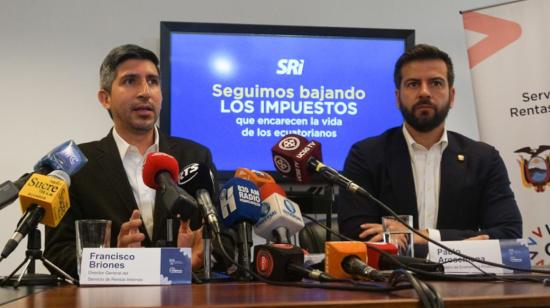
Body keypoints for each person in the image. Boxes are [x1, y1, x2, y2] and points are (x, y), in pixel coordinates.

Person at [44, 44, 213, 278]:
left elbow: (223, 239)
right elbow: (56, 254)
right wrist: (114, 260)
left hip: (185, 298)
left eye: (153, 81)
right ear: (105, 98)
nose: (145, 91)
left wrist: (202, 252)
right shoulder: (76, 166)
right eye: (130, 81)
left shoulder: (195, 157)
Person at [337, 44, 522, 246]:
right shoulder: (366, 155)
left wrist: (422, 236)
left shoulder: (484, 159)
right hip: (390, 276)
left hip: (464, 277)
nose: (424, 92)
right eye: (413, 84)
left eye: (435, 83)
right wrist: (464, 240)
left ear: (452, 96)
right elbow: (356, 233)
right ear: (398, 98)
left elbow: (508, 233)